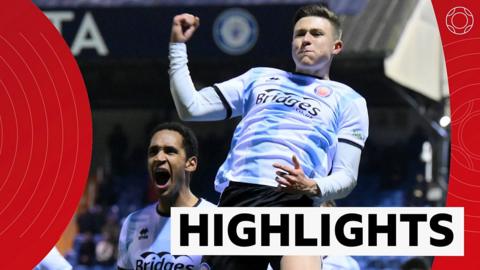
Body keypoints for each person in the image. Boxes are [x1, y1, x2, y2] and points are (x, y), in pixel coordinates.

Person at [168, 3, 368, 270]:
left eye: (316, 34)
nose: (306, 40)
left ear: (336, 47)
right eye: (300, 34)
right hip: (240, 197)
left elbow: (347, 176)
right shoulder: (259, 78)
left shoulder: (350, 100)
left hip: (296, 199)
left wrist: (313, 187)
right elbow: (190, 107)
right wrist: (177, 47)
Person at [117, 122, 215, 270]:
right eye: (153, 152)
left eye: (170, 151)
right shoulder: (132, 223)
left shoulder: (218, 221)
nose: (159, 158)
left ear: (191, 164)